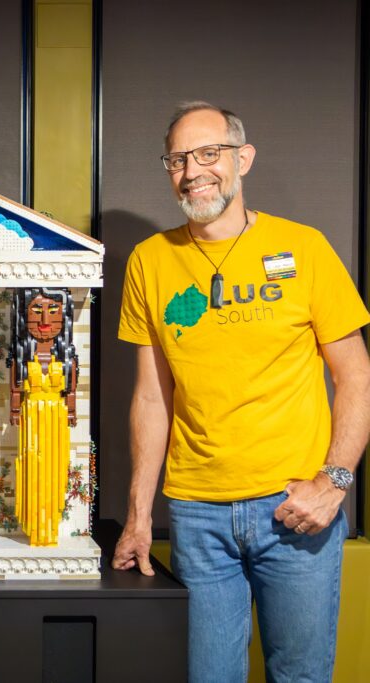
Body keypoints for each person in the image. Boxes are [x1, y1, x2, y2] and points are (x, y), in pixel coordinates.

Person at [112, 101, 370, 682]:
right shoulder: (150, 263)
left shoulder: (304, 248)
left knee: (299, 678)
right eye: (179, 159)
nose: (193, 170)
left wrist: (335, 483)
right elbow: (152, 398)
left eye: (209, 154)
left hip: (296, 512)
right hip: (197, 518)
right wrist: (136, 516)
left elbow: (355, 375)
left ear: (243, 159)